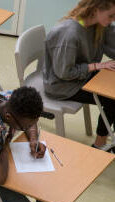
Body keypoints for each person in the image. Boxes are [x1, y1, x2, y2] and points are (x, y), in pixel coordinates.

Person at [43, 0, 115, 151]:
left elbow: (111, 47)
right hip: (62, 85)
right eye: (111, 16)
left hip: (82, 75)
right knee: (111, 99)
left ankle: (109, 138)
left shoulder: (98, 25)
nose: (113, 20)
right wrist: (96, 66)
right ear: (95, 10)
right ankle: (99, 145)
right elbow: (64, 73)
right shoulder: (69, 34)